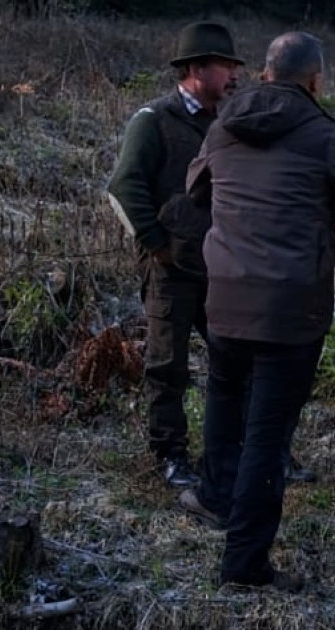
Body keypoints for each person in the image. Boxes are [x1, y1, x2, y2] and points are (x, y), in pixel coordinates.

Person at [176, 31, 335, 590]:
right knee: (268, 435)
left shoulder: (224, 125)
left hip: (224, 296)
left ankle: (214, 500)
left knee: (225, 406)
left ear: (265, 72)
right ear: (315, 80)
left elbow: (194, 190)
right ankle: (244, 565)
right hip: (290, 310)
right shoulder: (323, 135)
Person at [107, 21, 243, 488]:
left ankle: (229, 453)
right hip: (170, 269)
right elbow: (123, 187)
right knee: (168, 367)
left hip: (219, 268)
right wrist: (156, 244)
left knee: (233, 360)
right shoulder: (153, 120)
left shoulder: (225, 123)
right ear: (196, 69)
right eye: (225, 65)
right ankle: (169, 457)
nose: (233, 75)